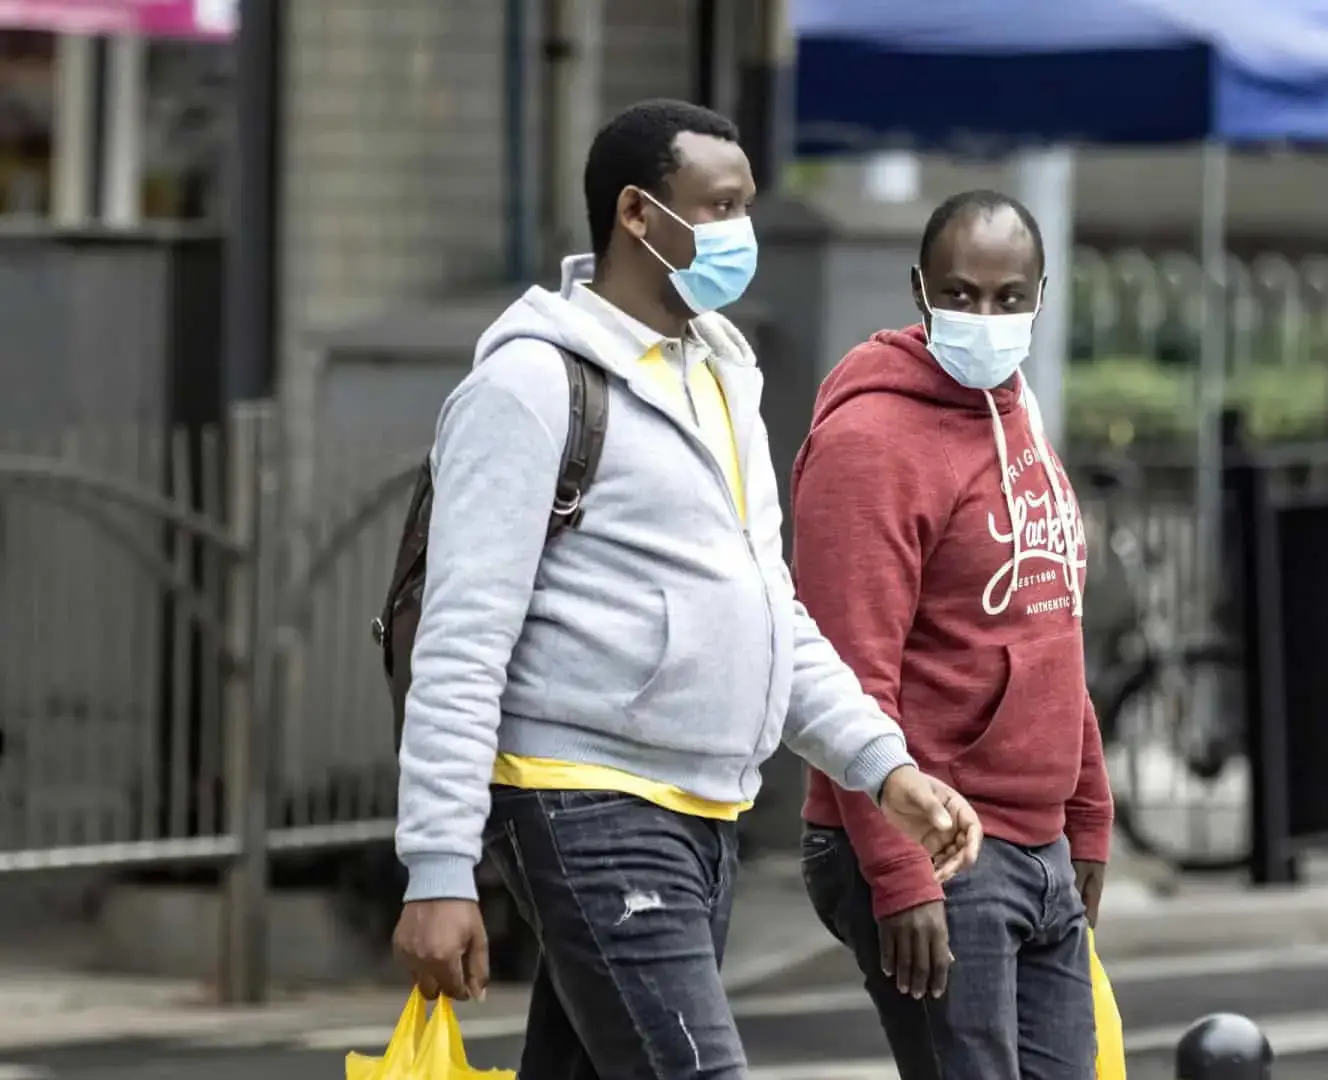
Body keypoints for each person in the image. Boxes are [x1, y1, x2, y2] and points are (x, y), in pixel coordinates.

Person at [389, 99, 982, 1079]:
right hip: (587, 801)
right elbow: (462, 639)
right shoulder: (531, 385)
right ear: (636, 213)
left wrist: (885, 768)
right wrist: (440, 868)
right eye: (719, 205)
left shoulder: (720, 376)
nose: (742, 230)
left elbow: (770, 613)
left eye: (746, 204)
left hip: (704, 810)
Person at [790, 189, 1114, 1078]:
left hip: (1038, 845)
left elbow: (1052, 630)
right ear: (919, 291)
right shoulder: (870, 443)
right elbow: (847, 678)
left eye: (1010, 297)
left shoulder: (1016, 412)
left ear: (1042, 296)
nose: (985, 316)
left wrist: (1087, 816)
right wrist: (901, 870)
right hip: (939, 844)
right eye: (961, 294)